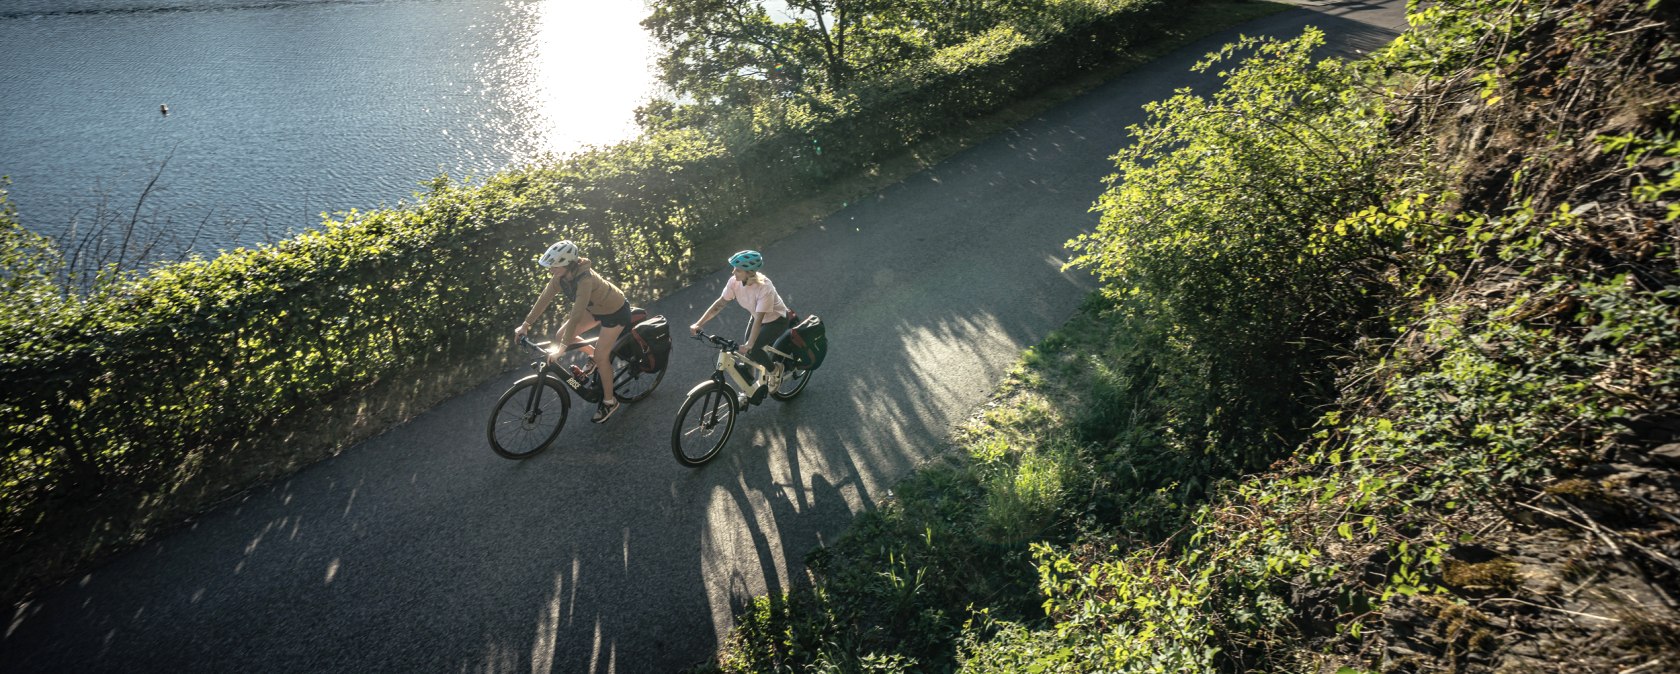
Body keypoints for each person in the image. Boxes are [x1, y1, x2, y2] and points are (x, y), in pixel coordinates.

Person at [513, 240, 631, 423]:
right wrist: (526, 324)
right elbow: (544, 298)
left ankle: (610, 401)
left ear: (568, 264)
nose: (551, 270)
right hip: (595, 309)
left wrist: (561, 349)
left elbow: (576, 315)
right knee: (561, 335)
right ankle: (593, 355)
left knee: (602, 357)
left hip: (614, 311)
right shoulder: (561, 277)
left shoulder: (585, 280)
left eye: (554, 266)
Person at [689, 249, 791, 400]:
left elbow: (759, 319)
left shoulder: (765, 288)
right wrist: (698, 323)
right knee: (746, 354)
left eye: (737, 269)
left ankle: (775, 369)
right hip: (757, 316)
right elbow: (719, 304)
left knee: (752, 350)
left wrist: (750, 344)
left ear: (749, 272)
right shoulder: (734, 282)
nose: (733, 272)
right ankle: (749, 387)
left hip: (776, 320)